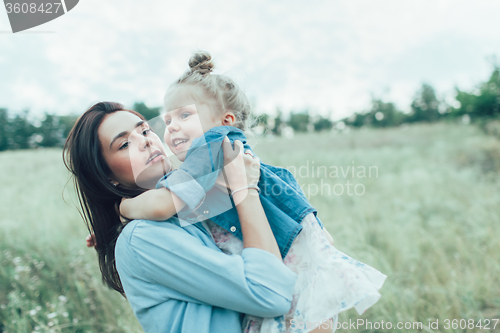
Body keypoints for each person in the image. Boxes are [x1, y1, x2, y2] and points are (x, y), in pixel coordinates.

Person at [118, 52, 387, 333]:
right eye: (168, 120)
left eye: (184, 115)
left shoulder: (213, 144)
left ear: (226, 120)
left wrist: (123, 208)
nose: (172, 126)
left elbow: (163, 204)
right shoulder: (233, 157)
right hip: (299, 264)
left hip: (279, 265)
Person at [63, 102, 299, 333]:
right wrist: (245, 189)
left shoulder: (191, 206)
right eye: (125, 144)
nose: (146, 141)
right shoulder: (142, 237)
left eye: (145, 130)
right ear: (106, 176)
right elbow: (271, 294)